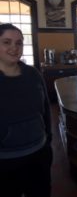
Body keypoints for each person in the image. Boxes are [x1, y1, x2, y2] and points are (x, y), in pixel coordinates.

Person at [0, 23, 52, 197]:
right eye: (6, 42)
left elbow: (45, 110)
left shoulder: (33, 74)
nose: (14, 48)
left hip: (38, 153)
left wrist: (48, 141)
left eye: (19, 43)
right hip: (5, 161)